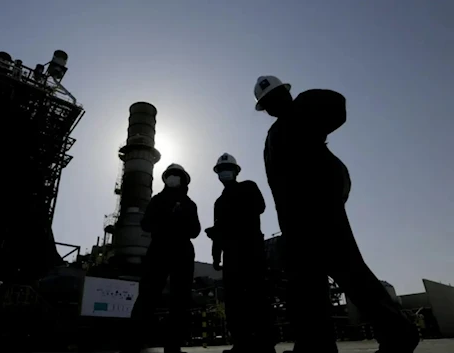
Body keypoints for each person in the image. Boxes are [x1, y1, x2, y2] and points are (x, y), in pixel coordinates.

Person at [254, 75, 419, 353]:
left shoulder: (301, 117)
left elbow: (335, 105)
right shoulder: (274, 136)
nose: (271, 107)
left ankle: (399, 332)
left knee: (348, 270)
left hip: (319, 211)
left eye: (275, 99)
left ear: (285, 95)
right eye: (267, 104)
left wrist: (301, 104)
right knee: (306, 283)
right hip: (295, 220)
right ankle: (315, 344)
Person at [122, 163, 201, 353]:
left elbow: (195, 231)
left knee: (180, 299)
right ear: (165, 178)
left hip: (182, 251)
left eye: (177, 175)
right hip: (159, 250)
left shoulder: (190, 204)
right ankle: (133, 344)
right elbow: (146, 224)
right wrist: (166, 217)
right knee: (147, 295)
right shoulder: (157, 200)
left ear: (183, 179)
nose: (174, 178)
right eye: (171, 174)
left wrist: (181, 218)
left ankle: (173, 346)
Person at [205, 153, 276, 353]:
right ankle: (241, 343)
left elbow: (259, 207)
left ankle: (265, 343)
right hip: (231, 255)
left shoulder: (248, 187)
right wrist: (215, 256)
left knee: (258, 296)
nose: (224, 172)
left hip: (251, 249)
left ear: (236, 171)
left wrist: (226, 224)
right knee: (235, 300)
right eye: (220, 170)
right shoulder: (218, 202)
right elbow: (218, 231)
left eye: (227, 169)